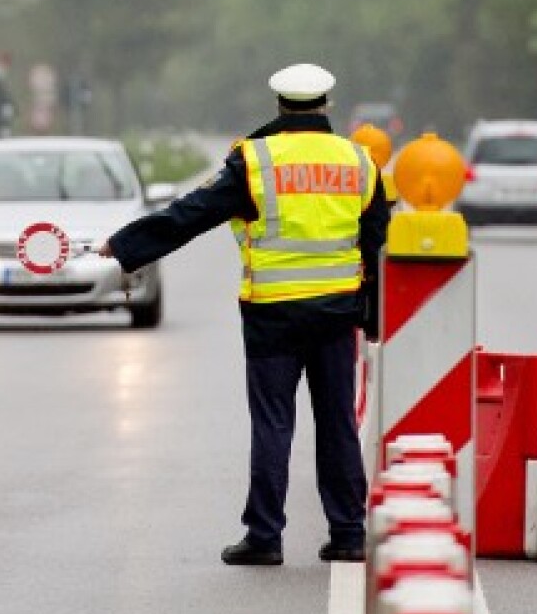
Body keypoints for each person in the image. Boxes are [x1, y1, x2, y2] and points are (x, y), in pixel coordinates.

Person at [98, 63, 390, 566]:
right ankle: (347, 533)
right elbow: (377, 243)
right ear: (327, 105)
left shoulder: (255, 161)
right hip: (338, 313)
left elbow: (190, 214)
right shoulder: (358, 161)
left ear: (279, 105)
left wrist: (125, 245)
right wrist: (374, 316)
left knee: (274, 423)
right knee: (338, 422)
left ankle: (265, 537)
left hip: (273, 314)